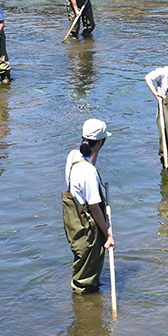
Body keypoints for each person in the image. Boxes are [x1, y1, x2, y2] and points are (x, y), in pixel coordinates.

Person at [63, 118, 114, 293]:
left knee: (81, 258)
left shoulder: (73, 156)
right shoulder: (89, 173)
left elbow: (90, 161)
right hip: (87, 223)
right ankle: (85, 305)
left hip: (73, 219)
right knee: (86, 277)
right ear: (100, 142)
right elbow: (94, 207)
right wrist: (107, 235)